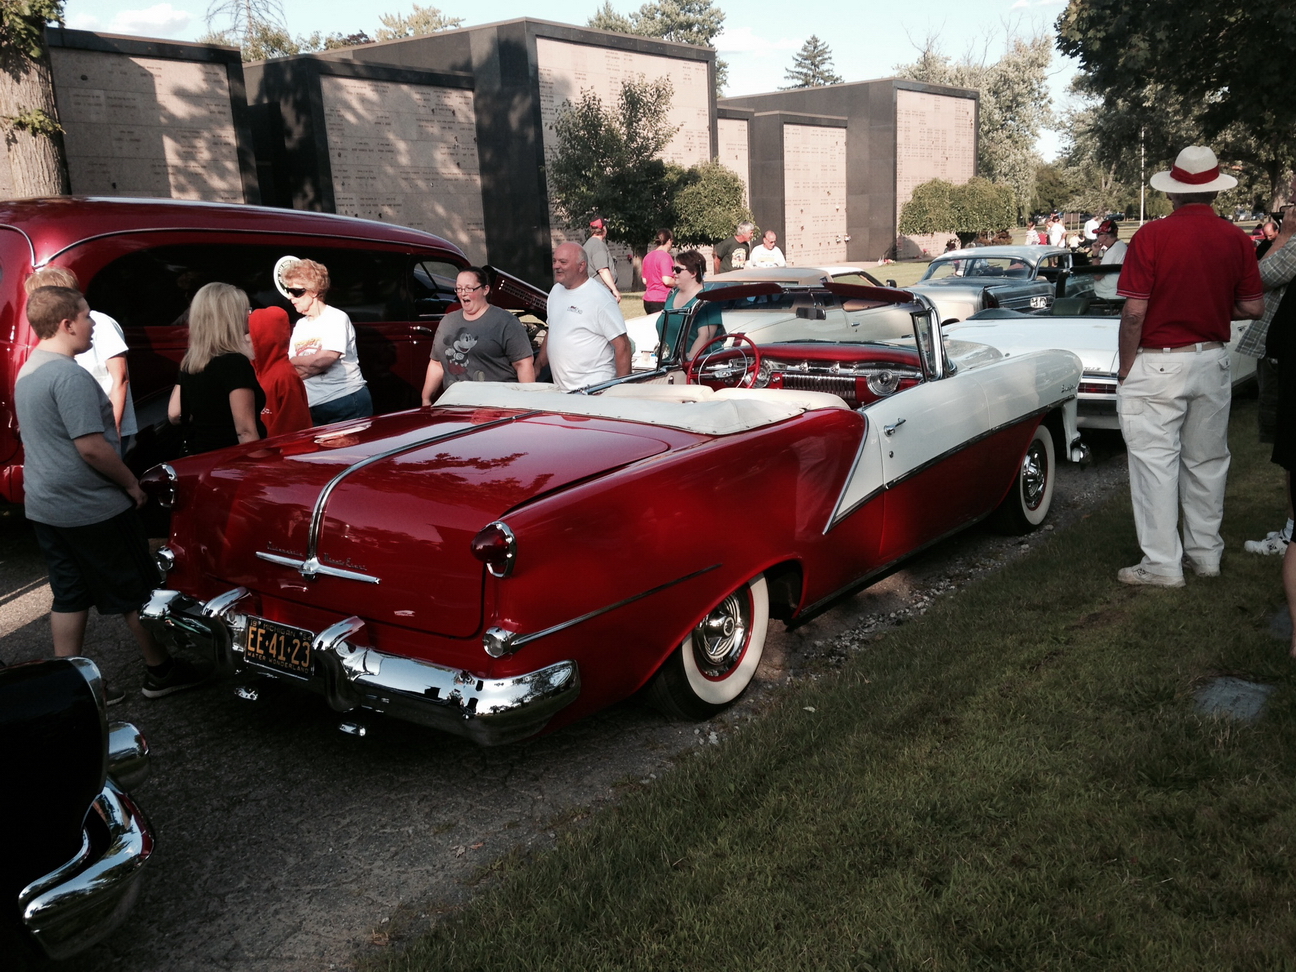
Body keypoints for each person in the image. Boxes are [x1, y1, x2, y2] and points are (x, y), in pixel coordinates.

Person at [15, 286, 207, 701]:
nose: (93, 324)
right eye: (87, 316)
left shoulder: (29, 369)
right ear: (67, 324)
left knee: (69, 595)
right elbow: (91, 446)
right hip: (90, 505)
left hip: (45, 505)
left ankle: (70, 686)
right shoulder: (69, 376)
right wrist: (130, 483)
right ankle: (161, 671)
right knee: (135, 590)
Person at [1113, 145, 1265, 587]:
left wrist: (1125, 367)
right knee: (1207, 461)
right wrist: (1210, 308)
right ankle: (1205, 555)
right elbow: (1253, 307)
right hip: (1211, 358)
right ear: (1216, 192)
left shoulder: (1151, 236)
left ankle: (1162, 564)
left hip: (1159, 360)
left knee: (1155, 463)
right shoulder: (1236, 239)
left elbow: (1134, 312)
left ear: (1172, 192)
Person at [24, 267, 138, 454]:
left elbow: (121, 378)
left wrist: (115, 429)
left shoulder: (99, 323)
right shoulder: (54, 330)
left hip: (104, 426)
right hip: (77, 427)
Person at [1238, 198, 1296, 555]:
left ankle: (1291, 534)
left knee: (1289, 447)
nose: (1288, 209)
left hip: (1286, 355)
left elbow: (1257, 278)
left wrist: (1285, 235)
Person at [168, 283, 266, 454]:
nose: (248, 315)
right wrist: (261, 462)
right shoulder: (234, 363)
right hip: (233, 458)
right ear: (230, 317)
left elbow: (175, 414)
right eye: (245, 309)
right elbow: (245, 431)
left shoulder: (191, 361)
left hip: (201, 455)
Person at [421, 267, 535, 403]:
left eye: (469, 288)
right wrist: (426, 398)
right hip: (455, 404)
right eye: (459, 289)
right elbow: (436, 364)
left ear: (485, 290)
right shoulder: (447, 322)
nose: (463, 294)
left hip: (496, 405)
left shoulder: (505, 322)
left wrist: (528, 402)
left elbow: (523, 364)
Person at [284, 258, 372, 424]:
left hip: (344, 401)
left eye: (296, 292)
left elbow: (323, 360)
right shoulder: (300, 325)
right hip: (312, 406)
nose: (290, 297)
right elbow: (293, 370)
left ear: (314, 291)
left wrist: (293, 361)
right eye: (288, 290)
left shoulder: (336, 318)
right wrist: (302, 363)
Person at [538, 242, 630, 391]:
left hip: (594, 391)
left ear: (581, 266)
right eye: (554, 261)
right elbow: (552, 331)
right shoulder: (555, 292)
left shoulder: (600, 298)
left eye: (563, 262)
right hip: (563, 392)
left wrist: (622, 391)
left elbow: (623, 346)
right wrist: (538, 366)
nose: (556, 266)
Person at [249, 306, 312, 437]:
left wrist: (269, 446)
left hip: (279, 447)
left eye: (250, 337)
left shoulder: (286, 376)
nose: (244, 340)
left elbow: (293, 425)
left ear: (265, 340)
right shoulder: (253, 371)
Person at [655, 250, 724, 364]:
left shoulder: (707, 298)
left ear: (693, 273)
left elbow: (705, 336)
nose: (674, 273)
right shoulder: (672, 294)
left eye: (678, 270)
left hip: (697, 367)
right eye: (673, 269)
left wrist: (687, 364)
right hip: (667, 365)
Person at [583, 216, 620, 302]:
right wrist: (614, 289)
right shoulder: (598, 245)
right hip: (601, 292)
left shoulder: (587, 244)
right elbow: (602, 270)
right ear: (603, 229)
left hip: (593, 291)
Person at [641, 229, 675, 314]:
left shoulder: (647, 256)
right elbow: (667, 280)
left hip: (648, 299)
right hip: (661, 299)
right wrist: (679, 282)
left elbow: (644, 280)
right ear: (669, 241)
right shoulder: (665, 257)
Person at [1091, 219, 1128, 300]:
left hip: (1109, 298)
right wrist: (1096, 252)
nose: (1097, 237)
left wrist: (1094, 254)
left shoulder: (1114, 250)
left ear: (1104, 236)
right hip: (1111, 295)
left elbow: (1097, 275)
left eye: (1098, 234)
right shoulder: (1119, 246)